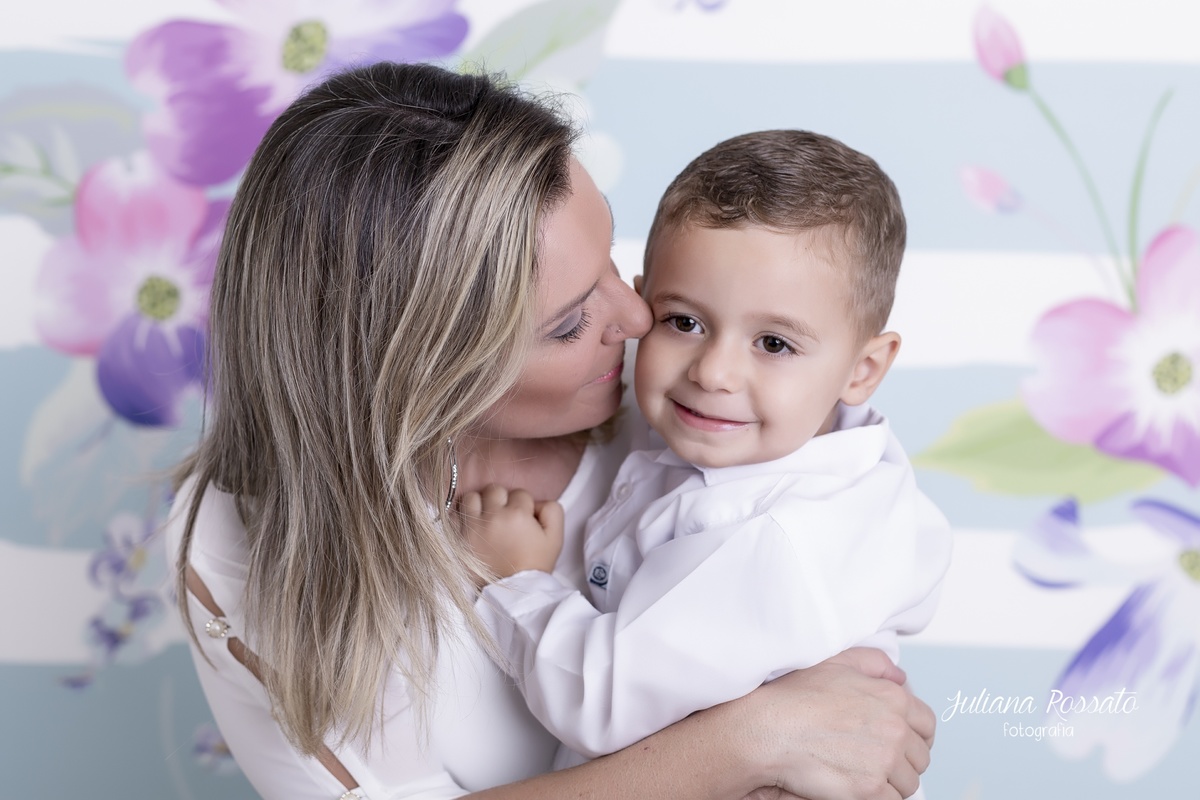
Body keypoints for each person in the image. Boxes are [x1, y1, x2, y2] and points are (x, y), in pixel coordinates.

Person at [165, 62, 936, 800]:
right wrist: (752, 741)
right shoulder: (236, 548)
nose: (637, 320)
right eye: (571, 323)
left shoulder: (731, 432)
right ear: (422, 371)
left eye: (610, 261)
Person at [465, 130, 953, 777]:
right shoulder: (797, 449)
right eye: (684, 322)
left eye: (774, 344)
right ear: (643, 301)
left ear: (863, 369)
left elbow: (602, 700)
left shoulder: (782, 541)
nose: (714, 372)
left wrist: (515, 582)